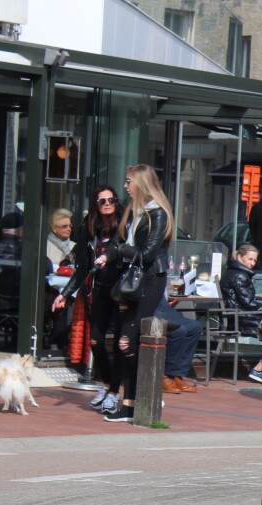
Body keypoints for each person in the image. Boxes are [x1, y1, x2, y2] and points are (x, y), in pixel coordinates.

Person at [98, 164, 173, 423]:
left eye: (129, 181)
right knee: (124, 341)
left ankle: (141, 398)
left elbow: (147, 254)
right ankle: (131, 402)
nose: (126, 186)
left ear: (141, 183)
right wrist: (108, 254)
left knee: (127, 340)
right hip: (130, 281)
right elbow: (119, 241)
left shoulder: (158, 214)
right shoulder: (133, 213)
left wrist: (118, 252)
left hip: (150, 280)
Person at [53, 188, 120, 405]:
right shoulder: (89, 228)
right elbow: (82, 268)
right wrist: (65, 293)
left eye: (111, 199)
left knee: (123, 343)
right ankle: (109, 387)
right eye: (102, 201)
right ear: (95, 205)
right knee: (96, 341)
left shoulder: (124, 225)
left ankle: (118, 392)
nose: (107, 203)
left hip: (121, 291)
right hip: (99, 289)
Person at [221, 243, 262, 384]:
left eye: (255, 260)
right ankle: (260, 368)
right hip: (243, 320)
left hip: (237, 317)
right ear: (239, 257)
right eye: (250, 259)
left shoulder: (231, 272)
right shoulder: (240, 276)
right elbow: (249, 304)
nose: (252, 263)